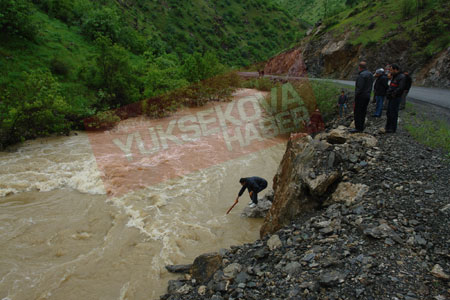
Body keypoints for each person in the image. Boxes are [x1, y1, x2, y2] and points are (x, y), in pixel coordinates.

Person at [351, 61, 373, 133]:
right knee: (363, 112)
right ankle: (361, 126)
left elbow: (359, 88)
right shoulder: (370, 74)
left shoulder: (361, 75)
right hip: (367, 95)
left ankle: (358, 127)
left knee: (358, 112)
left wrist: (356, 97)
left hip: (361, 96)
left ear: (359, 67)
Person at [385, 63, 407, 133]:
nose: (390, 72)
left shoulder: (401, 77)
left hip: (396, 97)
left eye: (391, 70)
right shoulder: (395, 76)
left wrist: (393, 94)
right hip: (391, 97)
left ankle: (392, 128)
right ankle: (388, 126)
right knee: (389, 112)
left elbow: (401, 88)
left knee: (393, 113)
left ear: (395, 69)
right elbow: (391, 85)